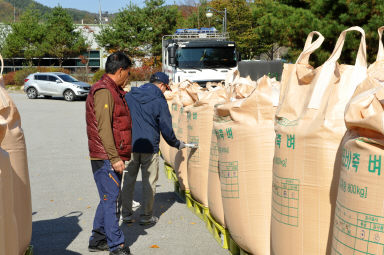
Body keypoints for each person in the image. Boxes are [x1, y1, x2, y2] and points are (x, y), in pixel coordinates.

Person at [121, 72, 185, 225]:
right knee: (149, 183)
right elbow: (166, 128)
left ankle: (126, 215)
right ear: (162, 85)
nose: (165, 91)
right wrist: (176, 143)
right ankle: (146, 216)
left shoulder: (130, 96)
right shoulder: (159, 100)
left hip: (130, 145)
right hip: (150, 147)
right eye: (165, 88)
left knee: (128, 181)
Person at [86, 52, 132, 255]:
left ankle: (97, 239)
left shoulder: (113, 89)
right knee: (112, 200)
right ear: (120, 70)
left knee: (107, 197)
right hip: (106, 157)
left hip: (108, 155)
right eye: (128, 73)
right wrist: (114, 158)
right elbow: (104, 128)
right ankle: (117, 245)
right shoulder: (104, 91)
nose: (128, 77)